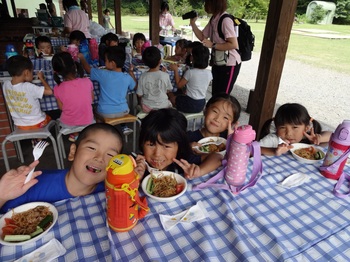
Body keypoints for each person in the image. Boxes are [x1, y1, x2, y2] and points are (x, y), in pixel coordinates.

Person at [0, 123, 123, 213]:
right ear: (73, 152)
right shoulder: (33, 184)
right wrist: (2, 195)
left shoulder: (110, 189)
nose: (100, 158)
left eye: (110, 155)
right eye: (91, 148)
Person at [133, 108, 223, 180]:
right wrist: (134, 179)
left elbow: (217, 157)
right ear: (142, 143)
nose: (157, 154)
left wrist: (199, 171)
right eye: (151, 145)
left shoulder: (183, 161)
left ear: (179, 146)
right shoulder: (134, 164)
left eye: (166, 146)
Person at [79, 46, 136, 135]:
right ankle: (123, 127)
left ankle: (101, 132)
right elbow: (134, 86)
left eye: (105, 60)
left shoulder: (103, 74)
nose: (104, 62)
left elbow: (88, 70)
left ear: (112, 63)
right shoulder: (127, 77)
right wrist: (131, 72)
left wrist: (82, 58)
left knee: (94, 109)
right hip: (124, 111)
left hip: (105, 112)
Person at [189, 0, 241, 96]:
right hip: (218, 61)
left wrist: (213, 45)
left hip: (229, 64)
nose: (205, 5)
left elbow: (234, 44)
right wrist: (193, 23)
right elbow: (202, 37)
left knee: (222, 96)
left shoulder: (225, 20)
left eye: (207, 3)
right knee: (215, 93)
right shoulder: (214, 19)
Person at [2, 55, 52, 134]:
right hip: (37, 124)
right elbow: (49, 91)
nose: (32, 74)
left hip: (19, 125)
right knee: (50, 117)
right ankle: (39, 140)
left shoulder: (5, 85)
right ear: (26, 72)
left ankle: (35, 139)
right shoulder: (29, 87)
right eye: (32, 72)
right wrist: (41, 78)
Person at [259, 103, 332, 156]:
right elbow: (250, 150)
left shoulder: (306, 136)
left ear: (306, 128)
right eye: (282, 128)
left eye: (294, 127)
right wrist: (274, 151)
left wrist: (320, 138)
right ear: (276, 127)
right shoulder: (273, 140)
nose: (289, 133)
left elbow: (332, 135)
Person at [52, 52, 95, 142]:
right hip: (88, 121)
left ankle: (75, 135)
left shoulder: (57, 88)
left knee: (64, 118)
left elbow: (61, 108)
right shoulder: (87, 82)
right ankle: (81, 136)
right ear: (74, 66)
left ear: (57, 72)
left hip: (69, 124)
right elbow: (91, 99)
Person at [187, 93, 241, 163]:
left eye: (225, 117)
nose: (217, 119)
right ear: (205, 110)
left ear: (232, 124)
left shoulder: (228, 139)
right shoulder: (189, 138)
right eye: (215, 111)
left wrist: (236, 141)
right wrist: (187, 149)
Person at [168, 44, 212, 113]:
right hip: (201, 103)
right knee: (180, 94)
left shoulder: (190, 72)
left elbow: (179, 85)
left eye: (191, 55)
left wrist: (175, 70)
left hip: (190, 103)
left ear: (194, 58)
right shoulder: (209, 73)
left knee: (170, 95)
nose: (190, 56)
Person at [136, 46, 172, 113]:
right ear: (160, 60)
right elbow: (168, 90)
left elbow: (139, 94)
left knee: (141, 103)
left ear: (144, 62)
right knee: (169, 104)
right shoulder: (165, 75)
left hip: (148, 108)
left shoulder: (143, 76)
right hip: (163, 107)